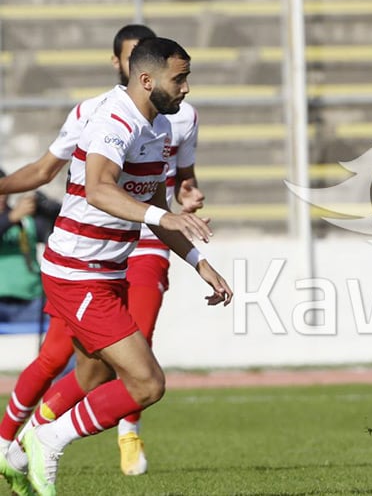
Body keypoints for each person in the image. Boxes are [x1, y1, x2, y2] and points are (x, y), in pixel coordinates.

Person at [3, 36, 230, 496]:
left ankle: (18, 447)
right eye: (179, 78)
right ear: (146, 80)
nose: (186, 88)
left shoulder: (160, 129)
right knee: (146, 383)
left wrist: (198, 261)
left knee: (91, 374)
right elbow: (99, 189)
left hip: (106, 273)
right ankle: (44, 440)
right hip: (77, 273)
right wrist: (162, 215)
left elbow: (161, 205)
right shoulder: (112, 120)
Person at [0, 178, 59, 324]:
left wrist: (51, 210)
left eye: (3, 191)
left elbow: (59, 237)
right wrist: (11, 217)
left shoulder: (26, 220)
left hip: (32, 302)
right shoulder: (15, 216)